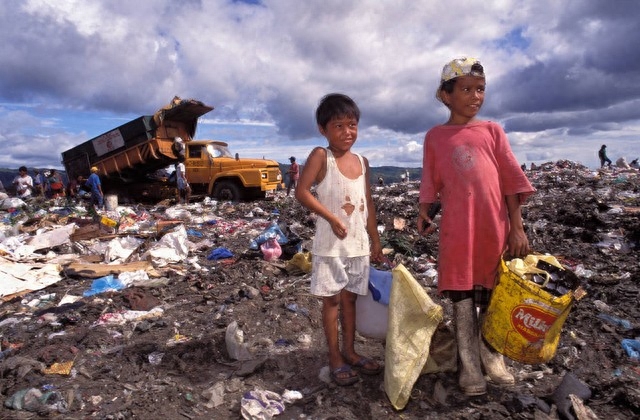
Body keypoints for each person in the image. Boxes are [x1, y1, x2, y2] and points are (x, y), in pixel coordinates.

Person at [417, 57, 535, 396]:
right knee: (463, 298)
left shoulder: (492, 131)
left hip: (492, 228)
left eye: (480, 89)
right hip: (457, 231)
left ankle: (491, 357)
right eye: (466, 89)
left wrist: (517, 227)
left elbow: (511, 183)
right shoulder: (435, 137)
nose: (475, 96)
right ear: (445, 95)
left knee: (494, 295)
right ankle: (469, 368)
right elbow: (430, 179)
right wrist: (424, 211)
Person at [295, 93, 383, 386]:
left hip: (357, 246)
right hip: (330, 246)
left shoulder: (362, 161)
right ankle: (334, 356)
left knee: (350, 301)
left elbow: (367, 202)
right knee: (331, 301)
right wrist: (331, 217)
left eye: (352, 125)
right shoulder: (322, 157)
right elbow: (302, 191)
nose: (347, 132)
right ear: (323, 129)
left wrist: (375, 240)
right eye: (338, 126)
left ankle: (350, 350)